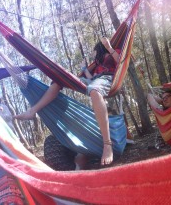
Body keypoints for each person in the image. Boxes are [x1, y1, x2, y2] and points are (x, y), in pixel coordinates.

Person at [14, 37, 121, 166]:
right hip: (95, 81)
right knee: (59, 80)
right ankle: (32, 111)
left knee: (94, 90)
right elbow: (91, 79)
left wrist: (109, 47)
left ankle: (107, 143)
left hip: (108, 79)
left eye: (94, 52)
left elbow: (120, 63)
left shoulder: (114, 51)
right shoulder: (97, 63)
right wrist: (84, 69)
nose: (93, 54)